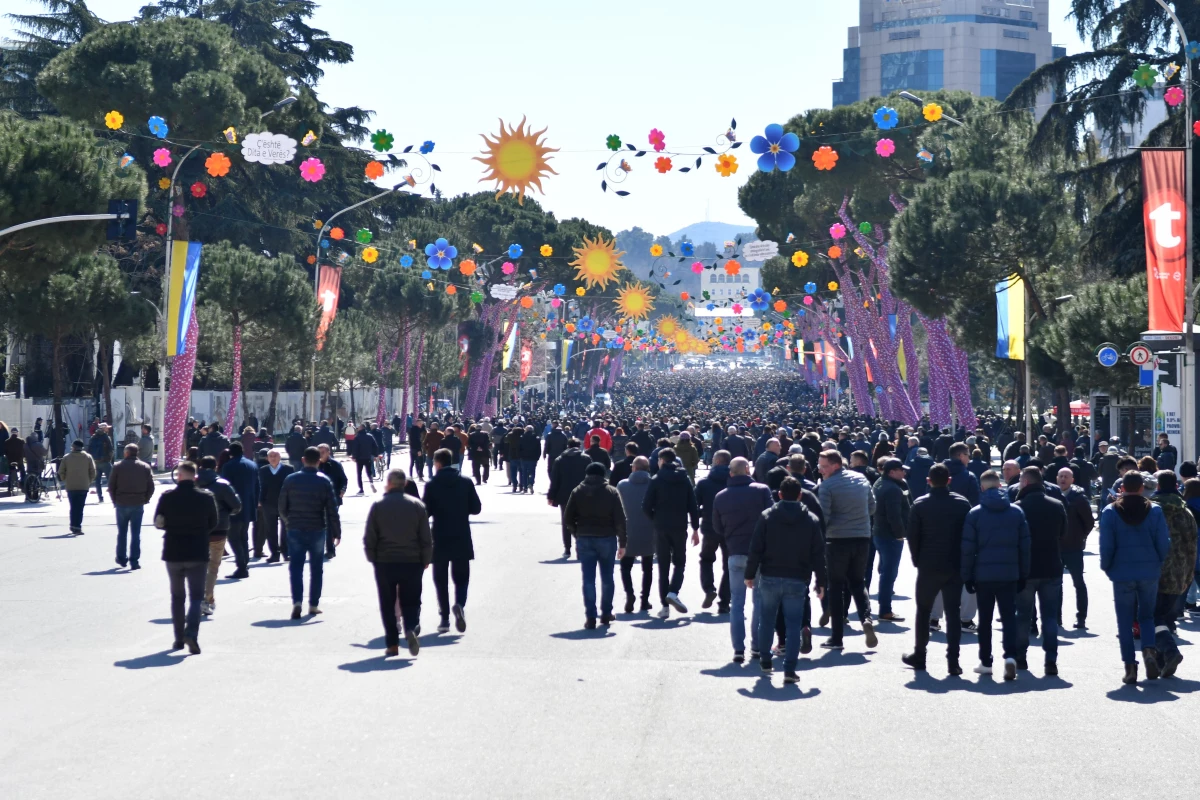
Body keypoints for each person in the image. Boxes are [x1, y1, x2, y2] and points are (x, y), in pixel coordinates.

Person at [745, 477, 827, 684]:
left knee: (767, 620)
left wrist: (749, 574)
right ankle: (789, 669)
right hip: (797, 578)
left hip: (770, 575)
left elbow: (756, 548)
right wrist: (821, 582)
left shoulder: (767, 516)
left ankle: (765, 660)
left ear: (779, 495)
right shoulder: (811, 520)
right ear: (800, 495)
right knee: (793, 625)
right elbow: (818, 554)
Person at [1100, 470, 1170, 684]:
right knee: (1146, 616)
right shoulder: (1155, 510)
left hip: (1121, 573)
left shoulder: (1110, 512)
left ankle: (1130, 667)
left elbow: (1107, 545)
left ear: (1122, 489)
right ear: (1142, 488)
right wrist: (1158, 562)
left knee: (1124, 620)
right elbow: (1163, 542)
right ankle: (1149, 652)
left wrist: (1107, 567)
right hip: (1149, 571)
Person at [902, 463, 972, 674]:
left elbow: (912, 537)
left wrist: (917, 561)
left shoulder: (920, 504)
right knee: (953, 612)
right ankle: (953, 661)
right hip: (954, 564)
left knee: (923, 611)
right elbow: (968, 536)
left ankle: (920, 656)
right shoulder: (962, 504)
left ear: (928, 481)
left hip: (929, 565)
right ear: (949, 481)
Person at [961, 470, 1030, 681]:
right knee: (1009, 617)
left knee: (985, 619)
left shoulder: (975, 513)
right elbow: (1025, 547)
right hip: (1009, 574)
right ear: (1000, 487)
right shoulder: (1016, 512)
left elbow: (967, 549)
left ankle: (986, 661)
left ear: (982, 488)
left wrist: (967, 576)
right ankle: (1010, 657)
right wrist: (1023, 574)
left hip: (983, 574)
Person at [712, 456, 774, 661]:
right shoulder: (762, 490)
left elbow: (717, 528)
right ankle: (757, 646)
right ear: (748, 470)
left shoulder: (721, 496)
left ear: (730, 473)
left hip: (735, 551)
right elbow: (772, 518)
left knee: (737, 602)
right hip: (760, 553)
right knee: (759, 601)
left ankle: (738, 648)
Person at [364, 468, 432, 657]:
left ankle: (392, 644)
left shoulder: (378, 505)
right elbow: (425, 537)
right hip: (412, 561)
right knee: (411, 599)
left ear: (390, 483)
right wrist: (426, 559)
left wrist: (373, 558)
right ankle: (410, 627)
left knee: (387, 602)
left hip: (385, 561)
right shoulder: (417, 505)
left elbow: (370, 536)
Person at [153, 461, 219, 655]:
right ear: (195, 477)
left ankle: (178, 638)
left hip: (173, 551)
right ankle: (191, 633)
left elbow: (158, 522)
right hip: (197, 552)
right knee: (197, 597)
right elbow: (213, 523)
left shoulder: (167, 497)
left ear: (179, 476)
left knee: (177, 597)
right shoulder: (206, 497)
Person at [816, 450, 877, 650]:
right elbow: (872, 507)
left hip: (837, 540)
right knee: (858, 583)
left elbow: (823, 518)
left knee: (836, 586)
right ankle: (866, 619)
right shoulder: (861, 479)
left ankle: (837, 637)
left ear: (835, 465)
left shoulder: (826, 486)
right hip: (862, 537)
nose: (820, 469)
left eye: (823, 466)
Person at [422, 448, 482, 634]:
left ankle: (444, 619)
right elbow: (476, 508)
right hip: (461, 533)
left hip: (439, 534)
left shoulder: (432, 484)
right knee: (461, 577)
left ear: (438, 463)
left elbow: (426, 512)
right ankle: (460, 605)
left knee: (440, 579)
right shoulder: (465, 482)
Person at [1014, 467, 1067, 676]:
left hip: (1026, 569)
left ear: (1026, 482)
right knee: (1050, 617)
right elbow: (1063, 532)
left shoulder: (1018, 507)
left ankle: (1021, 658)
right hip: (1052, 566)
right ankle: (1051, 660)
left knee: (1023, 616)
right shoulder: (1056, 505)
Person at [279, 447, 341, 620]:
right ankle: (313, 604)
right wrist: (336, 531)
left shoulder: (291, 479)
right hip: (317, 529)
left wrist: (288, 522)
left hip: (295, 528)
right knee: (316, 569)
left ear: (304, 459)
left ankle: (297, 602)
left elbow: (282, 506)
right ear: (319, 461)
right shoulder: (324, 481)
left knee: (296, 568)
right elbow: (331, 509)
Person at [564, 461, 628, 628]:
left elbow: (568, 518)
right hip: (607, 537)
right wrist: (623, 543)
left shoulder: (577, 491)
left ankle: (590, 616)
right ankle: (606, 613)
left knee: (588, 579)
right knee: (607, 577)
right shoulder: (611, 492)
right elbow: (620, 519)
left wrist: (576, 534)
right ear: (603, 474)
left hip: (585, 537)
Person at [1148, 470, 1197, 678]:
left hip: (1153, 571)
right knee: (1166, 617)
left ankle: (1169, 652)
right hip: (1179, 573)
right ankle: (1162, 661)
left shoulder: (1151, 509)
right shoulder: (1185, 511)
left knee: (1151, 616)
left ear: (1157, 486)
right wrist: (1189, 573)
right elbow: (1192, 543)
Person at [642, 447, 700, 618]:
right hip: (680, 526)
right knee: (680, 562)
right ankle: (673, 592)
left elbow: (645, 506)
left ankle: (664, 606)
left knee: (663, 566)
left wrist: (655, 518)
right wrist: (696, 528)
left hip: (661, 526)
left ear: (662, 460)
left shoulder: (656, 479)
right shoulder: (684, 478)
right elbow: (692, 505)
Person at [195, 456, 242, 616]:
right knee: (213, 567)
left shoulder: (192, 484)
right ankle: (206, 599)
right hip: (218, 530)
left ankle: (201, 597)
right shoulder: (222, 485)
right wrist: (227, 513)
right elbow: (236, 505)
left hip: (195, 531)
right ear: (216, 467)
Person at [871, 457, 910, 622]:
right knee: (889, 573)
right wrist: (900, 534)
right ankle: (885, 610)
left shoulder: (879, 482)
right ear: (892, 472)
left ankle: (884, 607)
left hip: (879, 533)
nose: (904, 472)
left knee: (885, 571)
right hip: (890, 536)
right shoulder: (893, 489)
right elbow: (894, 515)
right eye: (901, 469)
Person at [616, 456, 655, 613]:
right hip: (650, 529)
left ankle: (629, 594)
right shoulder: (654, 484)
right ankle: (644, 600)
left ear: (633, 468)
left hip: (628, 529)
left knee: (626, 567)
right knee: (648, 568)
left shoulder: (622, 485)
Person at [1056, 467, 1094, 629]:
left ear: (1072, 480)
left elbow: (1089, 522)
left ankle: (1081, 618)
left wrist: (1080, 536)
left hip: (1074, 547)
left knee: (1078, 582)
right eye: (1061, 476)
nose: (1063, 479)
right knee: (1056, 585)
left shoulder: (1079, 498)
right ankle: (1056, 618)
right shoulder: (1052, 495)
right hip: (1056, 547)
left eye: (1066, 476)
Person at [695, 450, 732, 613]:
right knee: (729, 565)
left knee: (706, 559)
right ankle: (724, 601)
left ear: (716, 462)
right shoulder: (734, 482)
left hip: (710, 527)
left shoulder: (704, 483)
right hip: (731, 528)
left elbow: (695, 505)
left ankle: (709, 588)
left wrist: (697, 523)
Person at [108, 443, 155, 569]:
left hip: (121, 502)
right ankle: (134, 561)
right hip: (138, 502)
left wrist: (115, 501)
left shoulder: (118, 466)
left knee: (122, 533)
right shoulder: (145, 467)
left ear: (126, 453)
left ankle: (122, 558)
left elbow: (111, 486)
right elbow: (151, 487)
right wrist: (145, 499)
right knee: (136, 534)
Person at [219, 442, 259, 580]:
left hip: (233, 506)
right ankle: (244, 563)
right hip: (248, 506)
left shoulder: (228, 466)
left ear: (230, 452)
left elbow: (225, 489)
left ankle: (241, 567)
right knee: (243, 536)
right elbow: (257, 486)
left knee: (234, 537)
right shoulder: (252, 465)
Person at [548, 438, 591, 558]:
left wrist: (551, 495)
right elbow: (592, 477)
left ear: (567, 446)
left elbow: (554, 480)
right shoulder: (586, 459)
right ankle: (580, 544)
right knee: (582, 521)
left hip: (564, 495)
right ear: (579, 446)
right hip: (583, 494)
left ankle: (567, 548)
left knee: (566, 521)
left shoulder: (560, 460)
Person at [258, 449, 293, 562]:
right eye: (270, 456)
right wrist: (260, 501)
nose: (273, 458)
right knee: (270, 530)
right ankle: (274, 553)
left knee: (286, 529)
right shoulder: (263, 470)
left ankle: (286, 552)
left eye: (275, 455)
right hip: (268, 503)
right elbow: (261, 486)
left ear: (279, 457)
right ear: (267, 458)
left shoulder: (288, 469)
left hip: (285, 503)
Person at [58, 439, 96, 535]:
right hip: (83, 486)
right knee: (80, 508)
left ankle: (72, 525)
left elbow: (61, 471)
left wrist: (65, 479)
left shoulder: (67, 457)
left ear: (73, 447)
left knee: (73, 507)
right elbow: (93, 471)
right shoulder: (88, 457)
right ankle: (77, 527)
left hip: (71, 486)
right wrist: (88, 481)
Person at [316, 444, 347, 558]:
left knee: (329, 523)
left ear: (328, 452)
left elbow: (344, 480)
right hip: (317, 499)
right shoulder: (315, 464)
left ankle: (330, 549)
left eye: (323, 452)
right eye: (319, 452)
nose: (321, 454)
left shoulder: (335, 464)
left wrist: (342, 490)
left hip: (333, 498)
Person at [349, 423, 379, 495]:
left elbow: (355, 448)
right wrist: (375, 455)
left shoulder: (357, 437)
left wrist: (354, 457)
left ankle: (361, 490)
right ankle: (371, 482)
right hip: (368, 456)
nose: (357, 428)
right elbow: (375, 446)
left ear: (361, 428)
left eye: (358, 427)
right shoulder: (370, 436)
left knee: (359, 474)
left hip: (359, 458)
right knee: (369, 472)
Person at [87, 424, 114, 503]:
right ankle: (113, 497)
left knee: (97, 481)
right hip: (105, 462)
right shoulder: (106, 437)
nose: (108, 429)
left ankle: (100, 498)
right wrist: (109, 459)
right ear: (104, 428)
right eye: (107, 428)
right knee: (111, 479)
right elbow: (111, 450)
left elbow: (89, 450)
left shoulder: (93, 437)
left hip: (95, 462)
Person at [518, 425, 542, 493]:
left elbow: (519, 448)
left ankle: (525, 487)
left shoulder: (522, 437)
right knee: (532, 472)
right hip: (533, 458)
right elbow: (539, 450)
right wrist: (537, 457)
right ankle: (531, 483)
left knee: (524, 472)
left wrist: (520, 456)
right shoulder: (536, 438)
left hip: (524, 458)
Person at [4, 428, 25, 496]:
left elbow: (5, 452)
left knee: (10, 472)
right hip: (19, 461)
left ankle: (9, 487)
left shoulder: (7, 441)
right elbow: (24, 451)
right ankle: (23, 484)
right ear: (17, 433)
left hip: (11, 460)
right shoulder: (21, 441)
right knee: (22, 471)